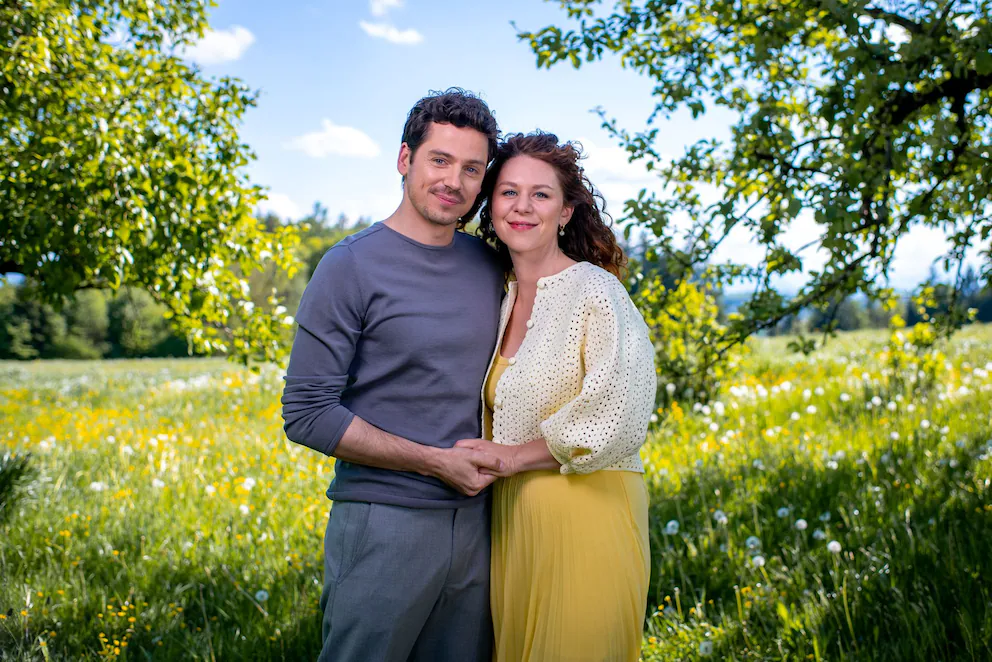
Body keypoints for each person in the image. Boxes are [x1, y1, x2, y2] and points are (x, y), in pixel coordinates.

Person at [281, 88, 505, 662]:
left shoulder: (490, 265)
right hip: (384, 523)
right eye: (440, 160)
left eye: (471, 168)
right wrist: (434, 461)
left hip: (482, 526)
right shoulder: (349, 266)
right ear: (405, 159)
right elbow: (306, 413)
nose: (454, 180)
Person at [455, 131, 657, 661]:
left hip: (587, 514)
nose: (522, 207)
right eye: (508, 192)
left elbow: (622, 413)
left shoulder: (595, 290)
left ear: (566, 211)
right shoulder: (499, 297)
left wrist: (514, 457)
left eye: (541, 195)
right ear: (491, 204)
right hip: (515, 523)